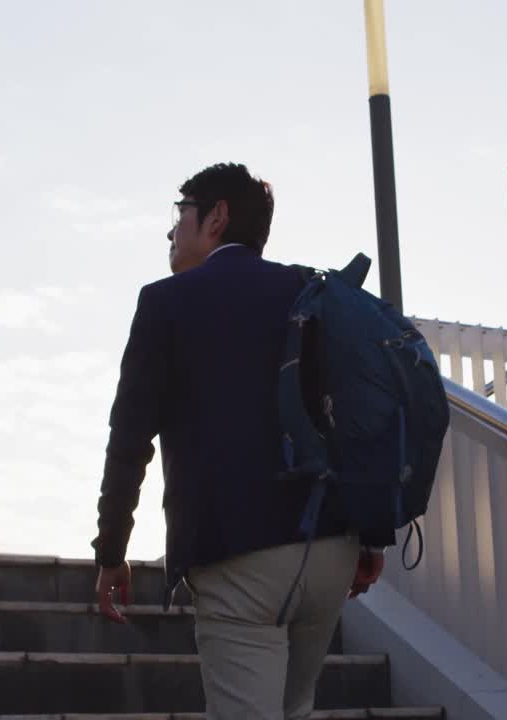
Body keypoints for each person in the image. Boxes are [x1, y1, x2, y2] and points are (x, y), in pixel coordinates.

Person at [91, 162, 386, 720]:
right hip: (330, 547)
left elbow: (129, 438)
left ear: (216, 218)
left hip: (237, 554)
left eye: (180, 213)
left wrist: (111, 549)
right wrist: (370, 537)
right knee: (293, 709)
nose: (171, 229)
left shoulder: (165, 302)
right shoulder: (311, 293)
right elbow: (354, 418)